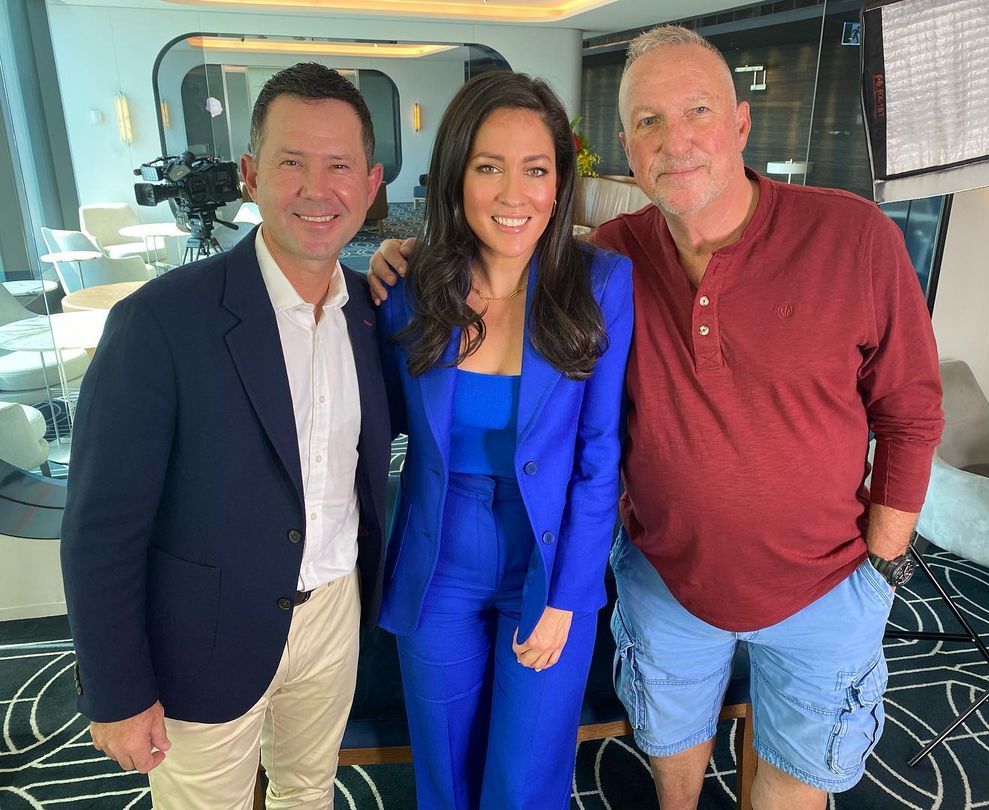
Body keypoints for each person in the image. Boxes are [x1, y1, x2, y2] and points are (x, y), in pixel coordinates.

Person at [368, 25, 943, 810]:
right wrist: (402, 254)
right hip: (667, 581)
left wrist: (882, 567)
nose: (676, 141)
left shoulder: (847, 236)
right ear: (627, 149)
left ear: (741, 122)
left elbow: (912, 411)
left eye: (697, 111)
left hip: (825, 584)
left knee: (789, 789)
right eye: (649, 121)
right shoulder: (612, 258)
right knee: (665, 774)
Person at [60, 62, 392, 809]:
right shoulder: (159, 322)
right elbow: (101, 528)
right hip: (203, 632)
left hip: (334, 611)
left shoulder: (373, 313)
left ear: (371, 185)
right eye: (291, 162)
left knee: (308, 791)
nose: (317, 189)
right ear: (250, 174)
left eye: (339, 166)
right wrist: (116, 689)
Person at [375, 71, 632, 810]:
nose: (514, 194)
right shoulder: (408, 287)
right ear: (457, 175)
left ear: (560, 182)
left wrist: (568, 597)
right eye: (489, 167)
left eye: (536, 170)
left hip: (547, 563)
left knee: (525, 780)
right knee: (445, 774)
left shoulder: (601, 284)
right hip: (439, 560)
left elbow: (599, 457)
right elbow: (374, 417)